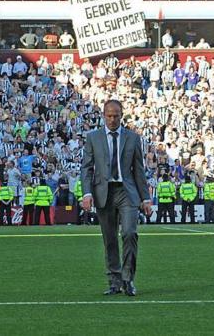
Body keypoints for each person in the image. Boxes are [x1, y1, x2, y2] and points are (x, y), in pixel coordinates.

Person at [81, 99, 151, 297]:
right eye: (109, 116)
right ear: (103, 115)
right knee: (110, 238)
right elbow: (87, 168)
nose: (112, 119)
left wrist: (145, 198)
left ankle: (128, 279)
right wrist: (87, 193)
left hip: (127, 192)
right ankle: (114, 281)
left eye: (116, 116)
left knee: (129, 233)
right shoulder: (93, 137)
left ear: (122, 115)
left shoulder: (132, 138)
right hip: (104, 193)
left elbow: (139, 170)